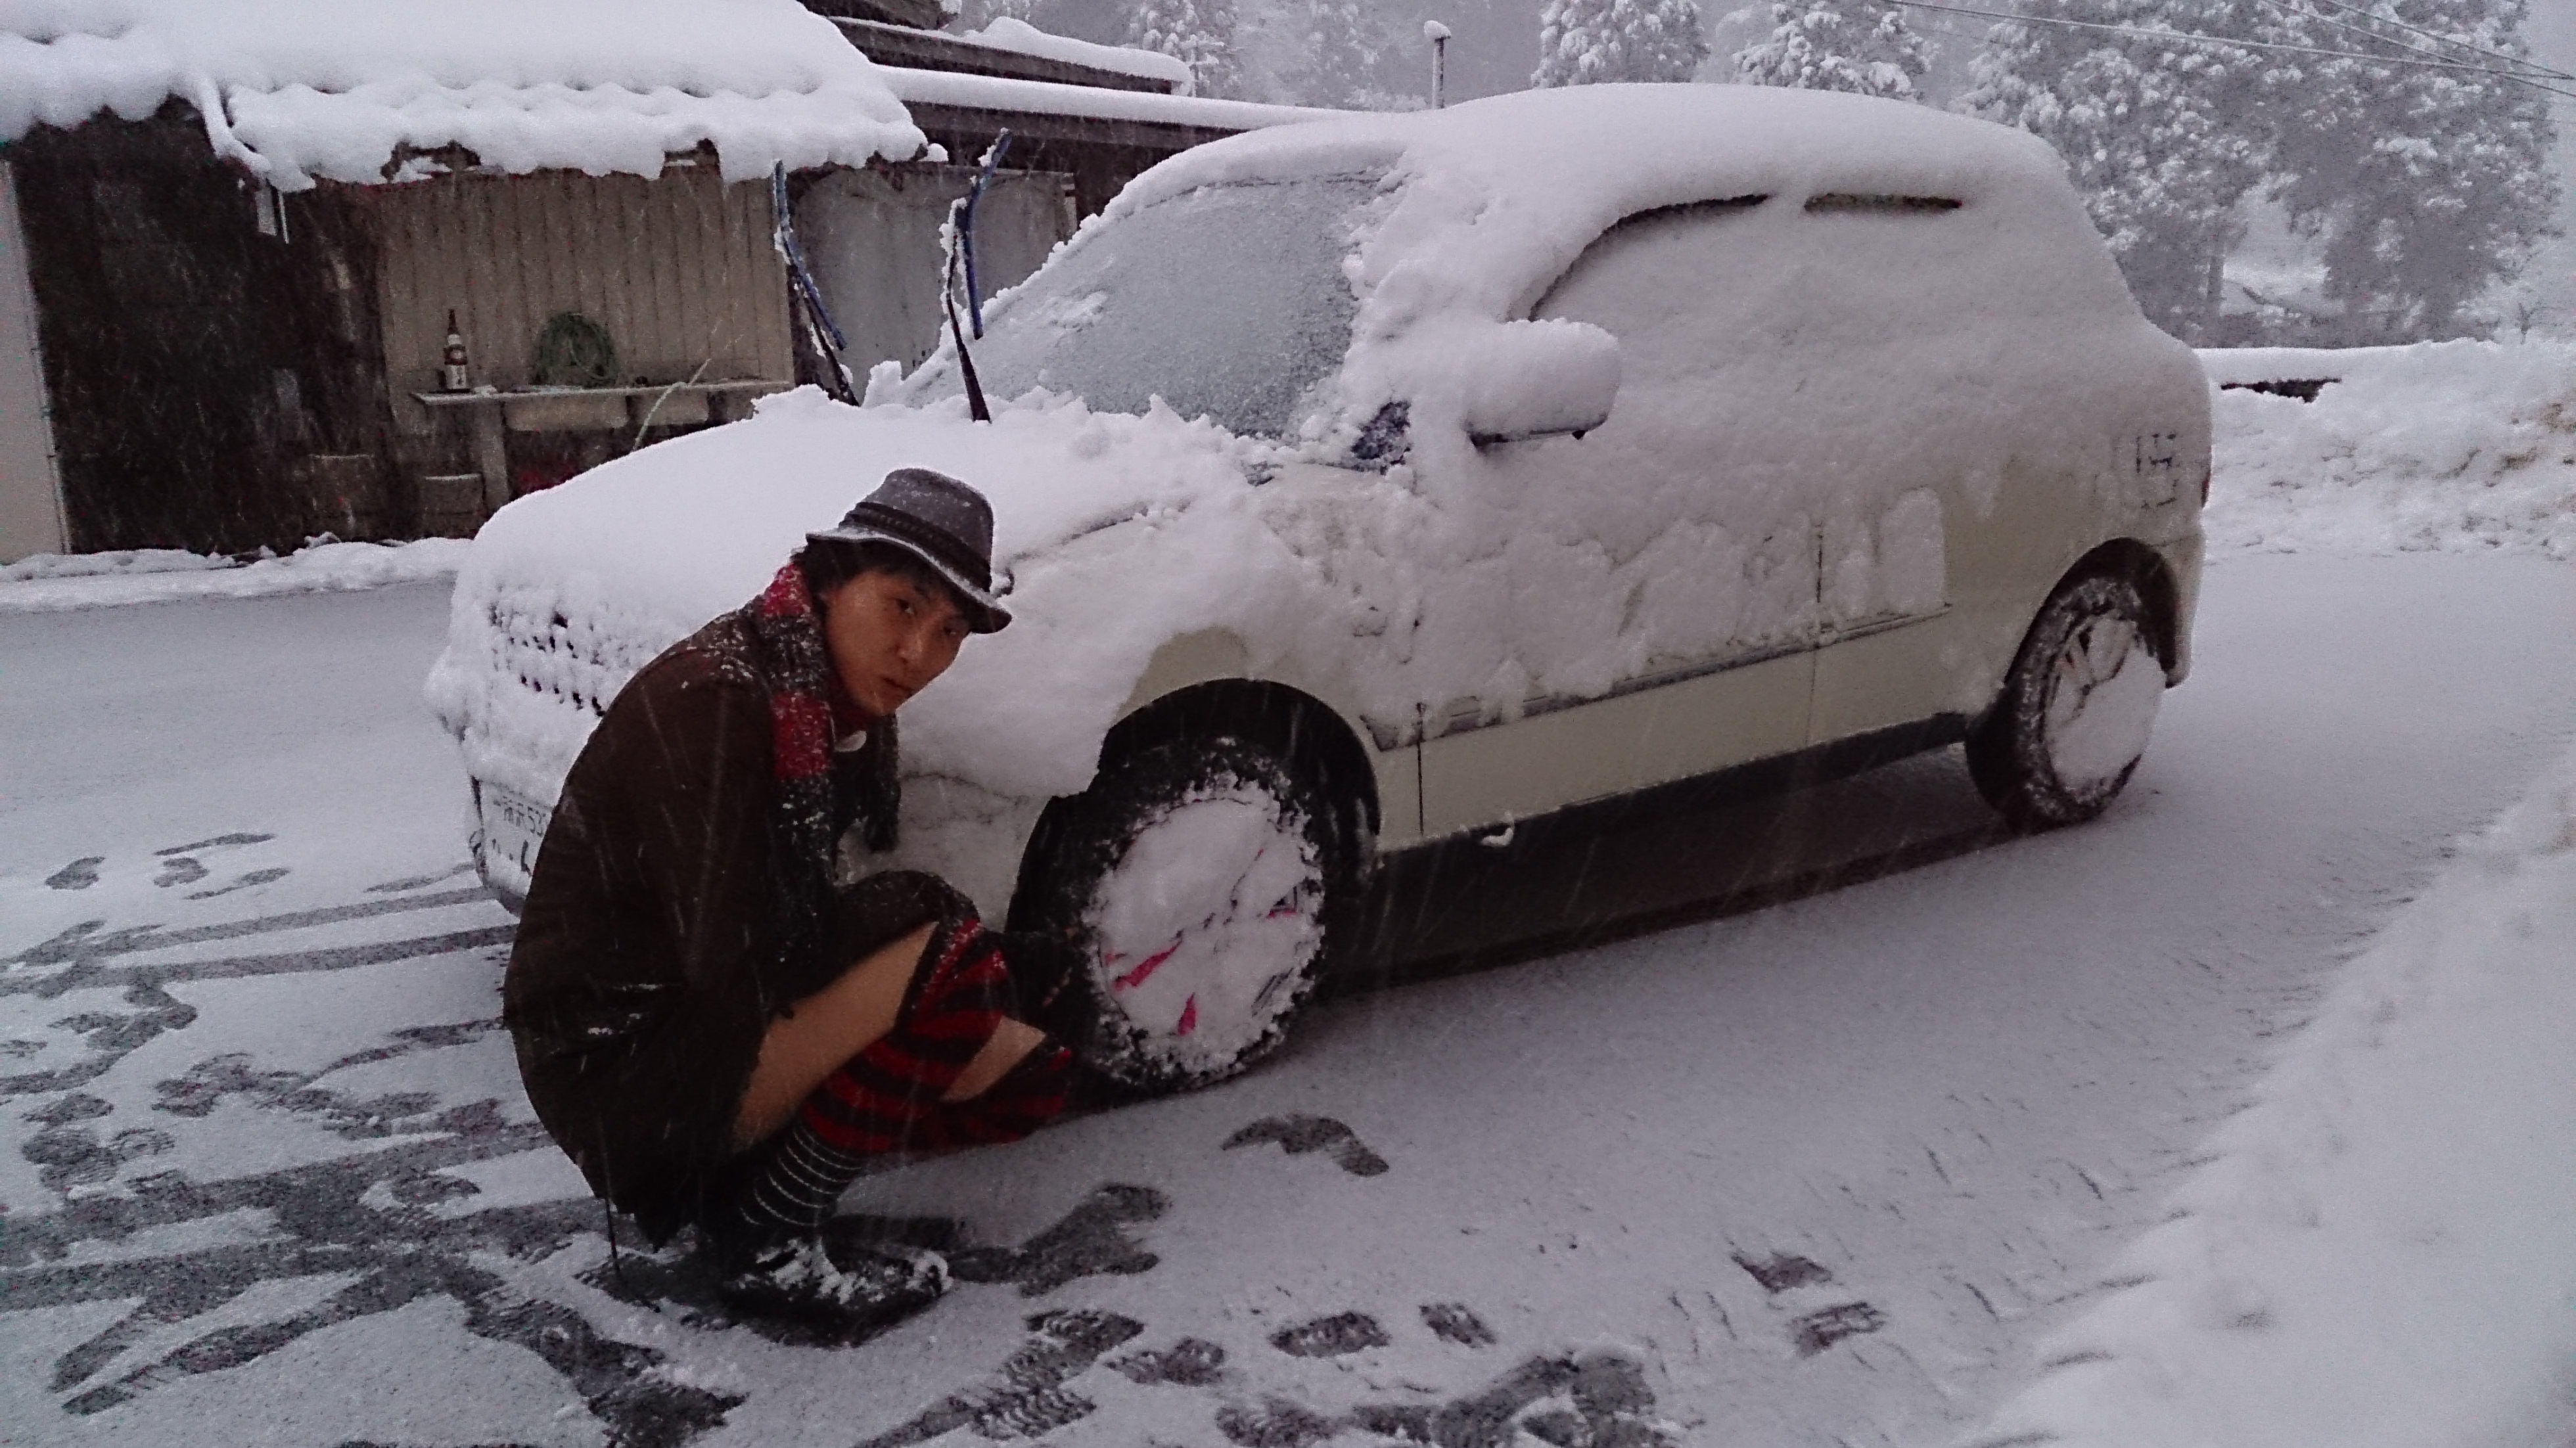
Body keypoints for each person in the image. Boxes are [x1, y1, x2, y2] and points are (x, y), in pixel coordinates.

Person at [501, 468, 1084, 1334]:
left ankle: (757, 1184)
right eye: (902, 605)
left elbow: (790, 927)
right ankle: (762, 1235)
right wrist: (918, 918)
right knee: (950, 963)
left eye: (950, 630)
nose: (921, 653)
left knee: (1031, 1068)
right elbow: (729, 956)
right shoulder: (717, 702)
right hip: (618, 1068)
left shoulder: (816, 698)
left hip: (691, 1027)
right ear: (833, 575)